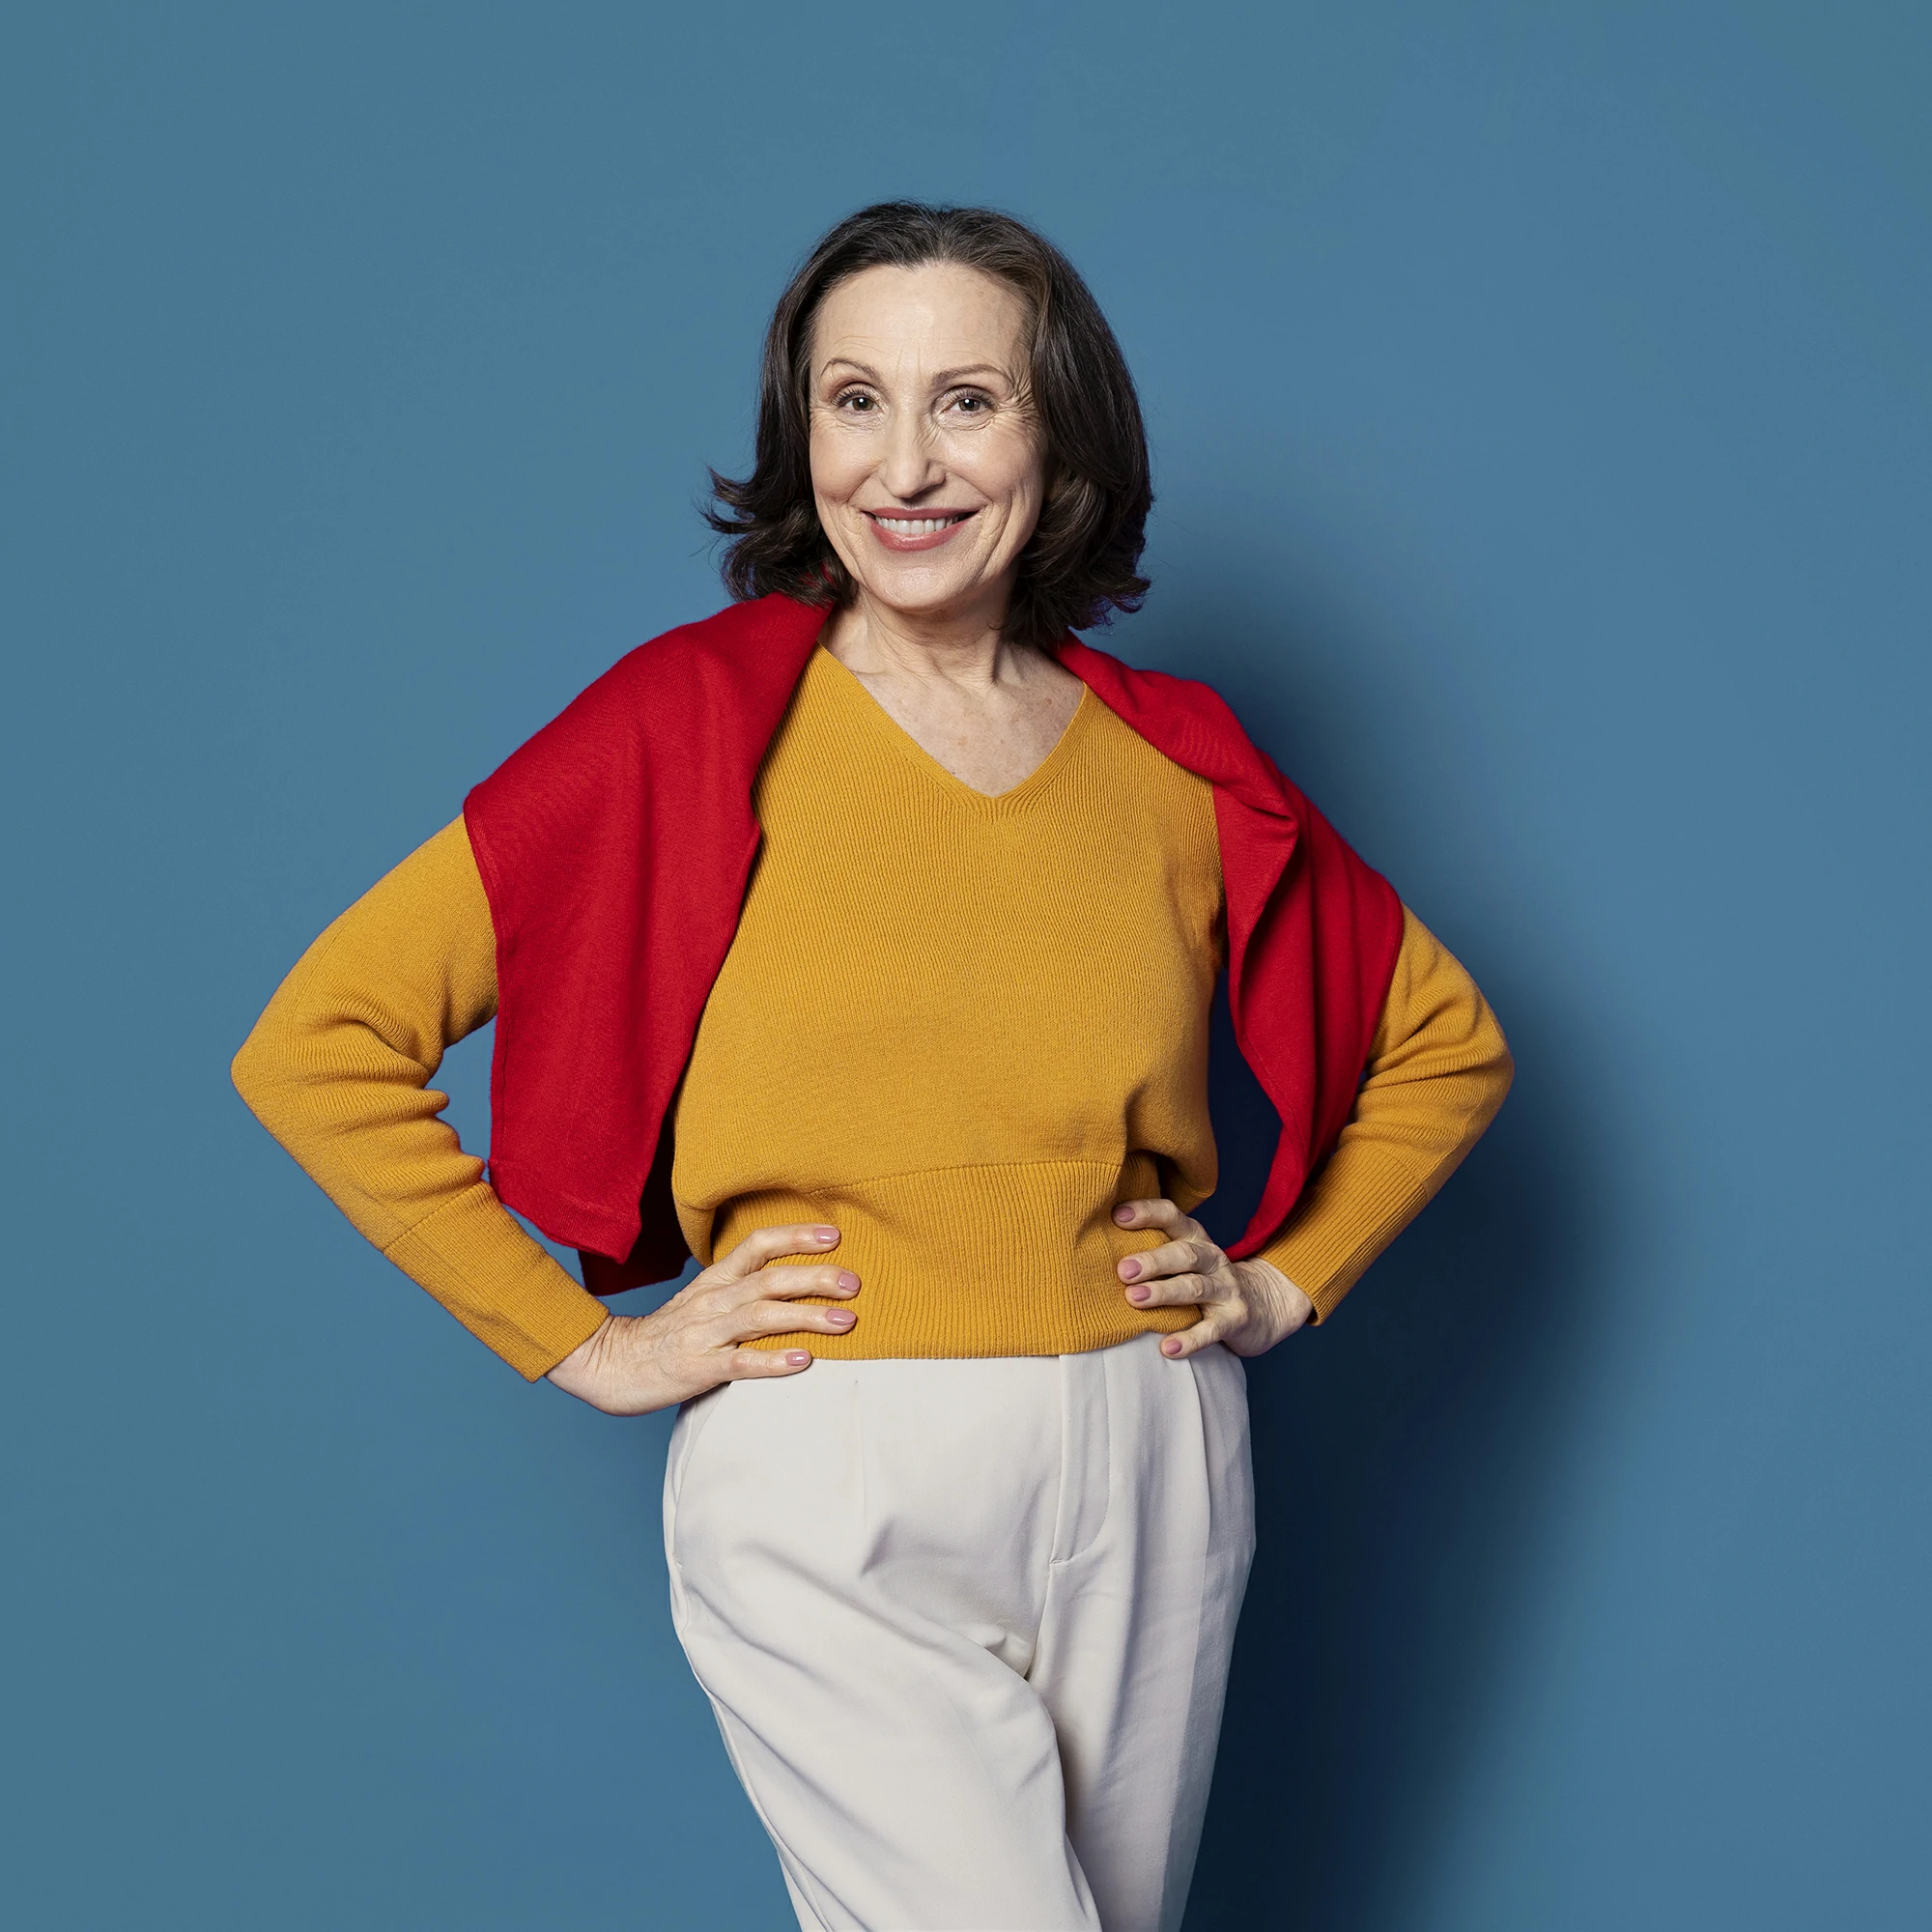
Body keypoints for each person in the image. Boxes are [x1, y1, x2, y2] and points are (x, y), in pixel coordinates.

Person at [233, 201, 1512, 1932]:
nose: (904, 464)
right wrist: (589, 1345)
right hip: (828, 1469)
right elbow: (323, 1041)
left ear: (1060, 437)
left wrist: (1282, 1284)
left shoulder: (1175, 766)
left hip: (1153, 1451)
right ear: (803, 434)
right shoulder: (688, 726)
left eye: (966, 402)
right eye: (855, 401)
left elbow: (1443, 1042)